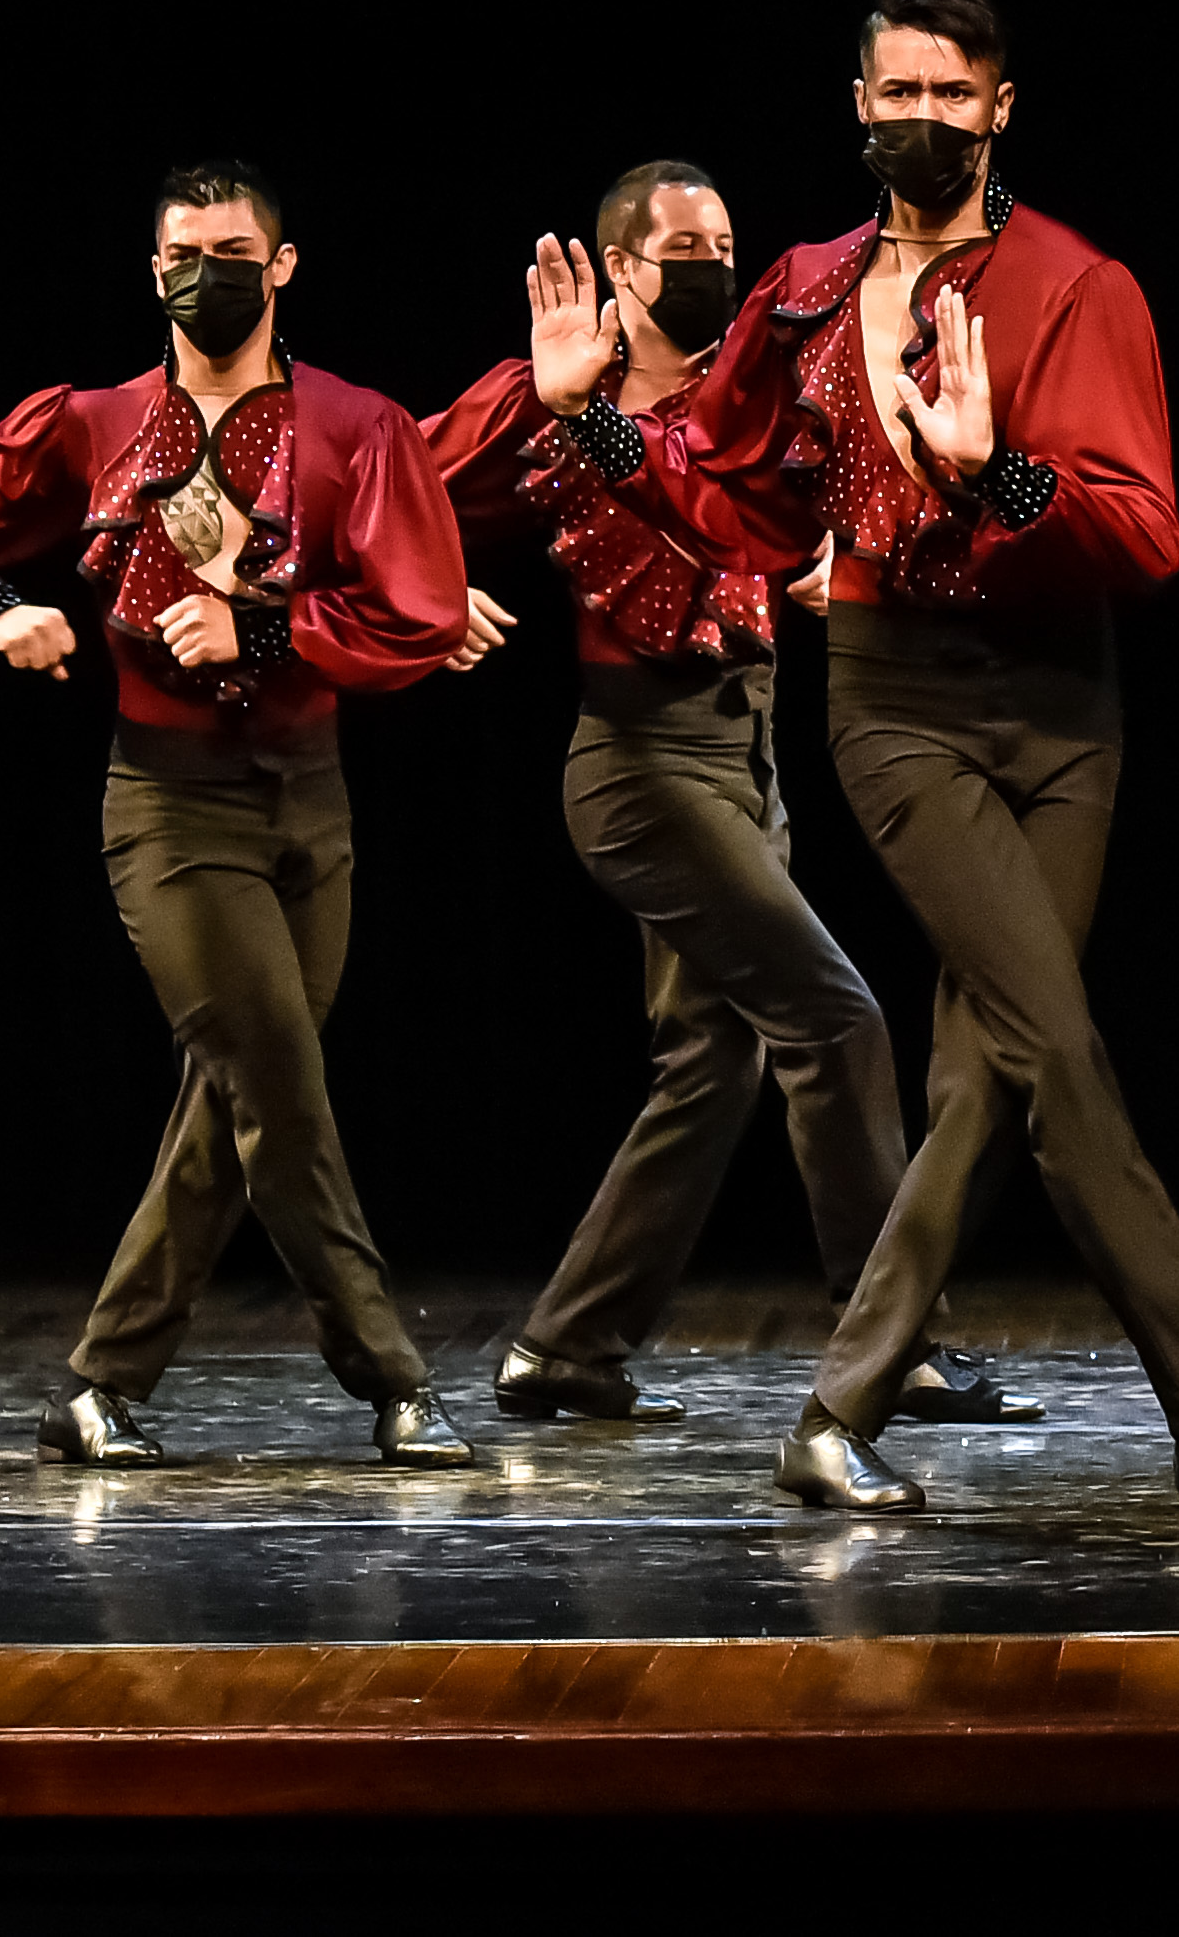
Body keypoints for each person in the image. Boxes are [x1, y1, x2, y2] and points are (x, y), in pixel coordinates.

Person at [620, 0, 1179, 1520]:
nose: (924, 119)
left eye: (953, 95)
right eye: (900, 93)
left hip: (1061, 708)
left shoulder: (1076, 283)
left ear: (1001, 108)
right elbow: (723, 483)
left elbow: (1145, 536)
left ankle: (835, 1413)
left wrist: (1000, 472)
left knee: (994, 1071)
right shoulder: (805, 288)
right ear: (857, 104)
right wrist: (619, 439)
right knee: (1052, 1041)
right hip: (898, 703)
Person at [0, 161, 480, 1471]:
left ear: (284, 264)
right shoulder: (97, 423)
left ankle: (100, 1384)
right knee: (279, 1085)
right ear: (155, 271)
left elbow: (419, 610)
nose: (211, 274)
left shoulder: (356, 425)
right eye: (186, 254)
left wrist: (265, 620)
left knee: (239, 1097)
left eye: (235, 252)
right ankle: (393, 1376)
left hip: (310, 802)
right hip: (170, 807)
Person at [422, 157, 1029, 1434]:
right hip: (638, 764)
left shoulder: (748, 396)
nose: (712, 267)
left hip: (745, 751)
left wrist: (836, 556)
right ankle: (891, 1344)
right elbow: (386, 489)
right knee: (834, 1019)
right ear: (620, 268)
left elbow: (846, 507)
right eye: (684, 249)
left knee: (713, 1055)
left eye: (724, 246)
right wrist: (425, 597)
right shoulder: (559, 388)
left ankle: (566, 1346)